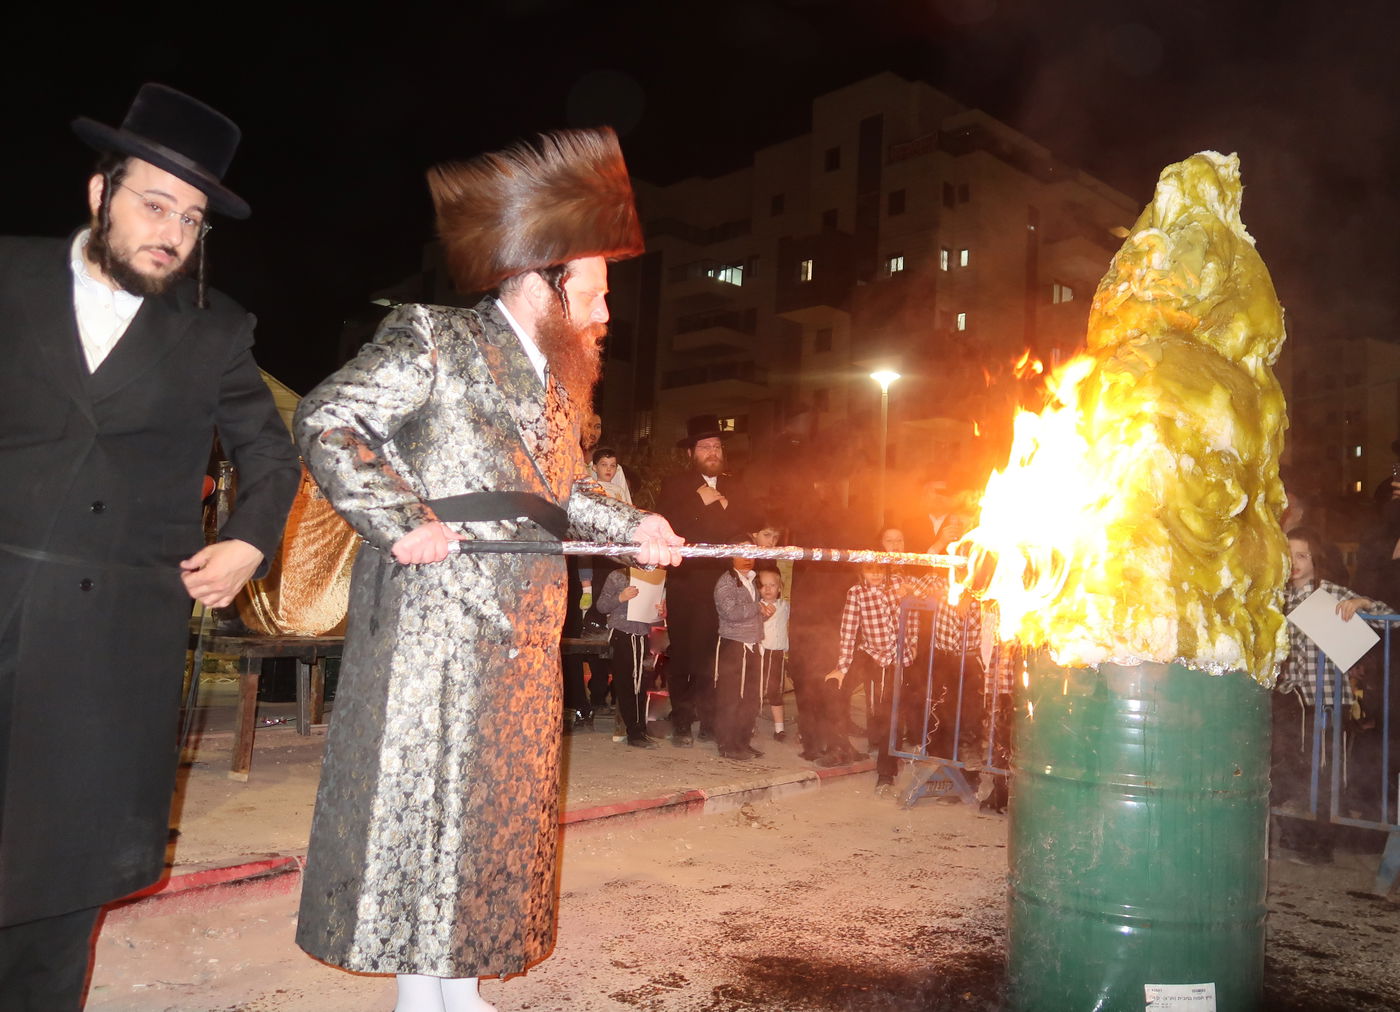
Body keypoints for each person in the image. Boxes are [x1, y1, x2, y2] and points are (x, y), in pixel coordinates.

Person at [292, 127, 682, 1012]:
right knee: (430, 805)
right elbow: (328, 417)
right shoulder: (432, 335)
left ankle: (459, 985)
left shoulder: (556, 393)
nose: (606, 311)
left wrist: (638, 524)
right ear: (548, 280)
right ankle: (416, 993)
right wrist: (399, 521)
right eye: (597, 288)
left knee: (495, 814)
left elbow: (569, 496)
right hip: (437, 613)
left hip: (526, 624)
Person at [0, 83, 299, 1007]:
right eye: (153, 203)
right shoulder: (7, 277)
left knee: (60, 877)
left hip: (112, 643)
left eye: (192, 219)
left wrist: (251, 540)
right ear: (100, 193)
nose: (172, 233)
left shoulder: (213, 329)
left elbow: (270, 453)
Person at [1273, 526, 1390, 863]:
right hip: (1293, 699)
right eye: (1289, 554)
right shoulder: (1277, 596)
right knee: (1298, 768)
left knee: (1325, 771)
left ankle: (1320, 845)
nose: (1294, 562)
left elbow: (1387, 617)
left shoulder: (1327, 592)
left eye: (1302, 555)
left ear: (1315, 560)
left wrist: (1362, 603)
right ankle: (1298, 838)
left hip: (1327, 699)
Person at [656, 415, 751, 746]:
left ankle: (710, 719)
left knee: (715, 654)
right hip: (686, 580)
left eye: (717, 446)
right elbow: (672, 528)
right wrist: (702, 502)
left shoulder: (734, 486)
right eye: (706, 446)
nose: (713, 452)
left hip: (722, 582)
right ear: (691, 452)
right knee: (683, 651)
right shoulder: (675, 486)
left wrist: (721, 507)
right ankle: (682, 718)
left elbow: (741, 526)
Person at [595, 566, 666, 748]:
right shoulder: (617, 575)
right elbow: (601, 606)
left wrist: (660, 611)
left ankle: (639, 729)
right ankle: (634, 732)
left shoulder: (652, 576)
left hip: (641, 634)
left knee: (641, 684)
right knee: (627, 683)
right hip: (622, 633)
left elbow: (655, 613)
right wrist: (621, 597)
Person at [713, 542, 768, 760]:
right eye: (742, 553)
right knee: (731, 698)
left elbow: (748, 614)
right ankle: (727, 744)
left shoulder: (750, 580)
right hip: (734, 646)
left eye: (751, 553)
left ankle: (742, 741)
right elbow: (730, 612)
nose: (748, 557)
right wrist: (757, 607)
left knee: (750, 698)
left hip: (752, 644)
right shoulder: (726, 581)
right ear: (731, 555)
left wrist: (763, 612)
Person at [758, 569, 790, 742]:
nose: (768, 589)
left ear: (779, 588)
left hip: (777, 654)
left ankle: (779, 729)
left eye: (772, 585)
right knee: (755, 690)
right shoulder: (757, 606)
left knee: (775, 691)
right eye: (763, 585)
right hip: (761, 653)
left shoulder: (785, 606)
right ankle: (748, 725)